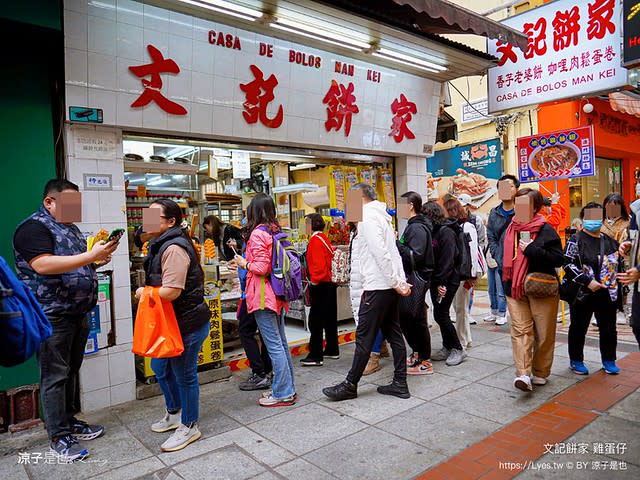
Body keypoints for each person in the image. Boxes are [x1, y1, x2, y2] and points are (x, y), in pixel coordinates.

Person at [13, 179, 118, 461]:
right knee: (55, 376)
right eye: (70, 203)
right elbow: (43, 264)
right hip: (52, 315)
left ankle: (70, 422)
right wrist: (88, 256)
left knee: (71, 371)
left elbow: (74, 262)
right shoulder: (32, 228)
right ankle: (58, 436)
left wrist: (95, 261)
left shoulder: (70, 229)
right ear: (50, 202)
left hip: (77, 312)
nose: (76, 209)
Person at [323, 183, 411, 401]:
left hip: (376, 287)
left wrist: (396, 281)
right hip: (386, 287)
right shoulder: (381, 217)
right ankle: (400, 382)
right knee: (394, 334)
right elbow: (393, 253)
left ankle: (350, 384)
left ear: (359, 198)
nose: (346, 207)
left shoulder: (368, 218)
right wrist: (398, 282)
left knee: (364, 336)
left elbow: (381, 253)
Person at [135, 199, 210, 452]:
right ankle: (175, 412)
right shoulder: (159, 242)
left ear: (170, 222)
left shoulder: (174, 248)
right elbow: (138, 235)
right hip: (172, 322)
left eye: (153, 215)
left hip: (187, 322)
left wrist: (144, 292)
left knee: (184, 374)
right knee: (160, 366)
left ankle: (189, 426)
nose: (147, 220)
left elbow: (172, 291)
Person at [232, 193, 296, 407]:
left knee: (274, 345)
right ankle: (288, 389)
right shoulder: (275, 230)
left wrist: (243, 263)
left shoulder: (258, 234)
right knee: (281, 344)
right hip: (276, 295)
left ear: (255, 211)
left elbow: (261, 267)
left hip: (262, 296)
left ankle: (282, 393)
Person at [501, 189, 564, 391]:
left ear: (536, 208)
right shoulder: (510, 227)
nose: (518, 209)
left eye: (524, 205)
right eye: (516, 203)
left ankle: (540, 371)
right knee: (520, 331)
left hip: (541, 288)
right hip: (514, 288)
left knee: (544, 333)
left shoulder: (546, 229)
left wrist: (531, 250)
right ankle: (523, 374)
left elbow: (557, 259)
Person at [563, 202, 621, 375]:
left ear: (603, 219)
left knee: (609, 328)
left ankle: (609, 360)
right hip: (583, 293)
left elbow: (619, 265)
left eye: (597, 217)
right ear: (582, 219)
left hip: (606, 293)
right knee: (579, 327)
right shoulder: (575, 240)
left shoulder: (610, 242)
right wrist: (587, 281)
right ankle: (576, 360)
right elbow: (567, 264)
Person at [422, 200, 466, 366]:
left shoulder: (446, 232)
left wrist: (442, 283)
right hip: (438, 280)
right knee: (440, 314)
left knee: (441, 315)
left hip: (447, 280)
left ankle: (457, 348)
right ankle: (447, 346)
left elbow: (448, 260)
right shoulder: (434, 231)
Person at [397, 191, 434, 375]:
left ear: (410, 205)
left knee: (415, 319)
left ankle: (425, 361)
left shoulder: (417, 228)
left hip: (417, 278)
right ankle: (418, 353)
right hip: (415, 277)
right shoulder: (414, 225)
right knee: (410, 318)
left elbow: (416, 256)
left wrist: (397, 244)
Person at [300, 213, 339, 366]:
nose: (305, 226)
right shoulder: (323, 237)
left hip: (320, 284)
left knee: (315, 321)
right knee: (330, 319)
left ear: (312, 224)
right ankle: (332, 349)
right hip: (329, 283)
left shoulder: (315, 240)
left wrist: (313, 282)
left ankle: (315, 355)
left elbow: (319, 267)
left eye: (306, 223)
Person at [443, 197, 481, 350]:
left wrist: (472, 276)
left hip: (463, 274)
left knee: (461, 309)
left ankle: (461, 341)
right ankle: (466, 339)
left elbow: (472, 253)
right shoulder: (452, 228)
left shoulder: (467, 227)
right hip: (454, 275)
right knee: (459, 308)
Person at [233, 255, 273, 391]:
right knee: (266, 333)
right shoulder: (269, 240)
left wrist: (243, 264)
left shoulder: (253, 242)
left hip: (252, 295)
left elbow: (246, 276)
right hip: (268, 295)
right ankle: (267, 369)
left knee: (245, 332)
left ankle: (259, 373)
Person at [486, 174, 520, 325]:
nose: (505, 190)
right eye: (501, 187)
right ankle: (501, 312)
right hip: (501, 261)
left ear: (517, 189)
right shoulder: (494, 212)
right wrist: (496, 253)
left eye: (509, 186)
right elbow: (491, 235)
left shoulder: (522, 209)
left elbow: (526, 234)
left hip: (520, 263)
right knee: (500, 289)